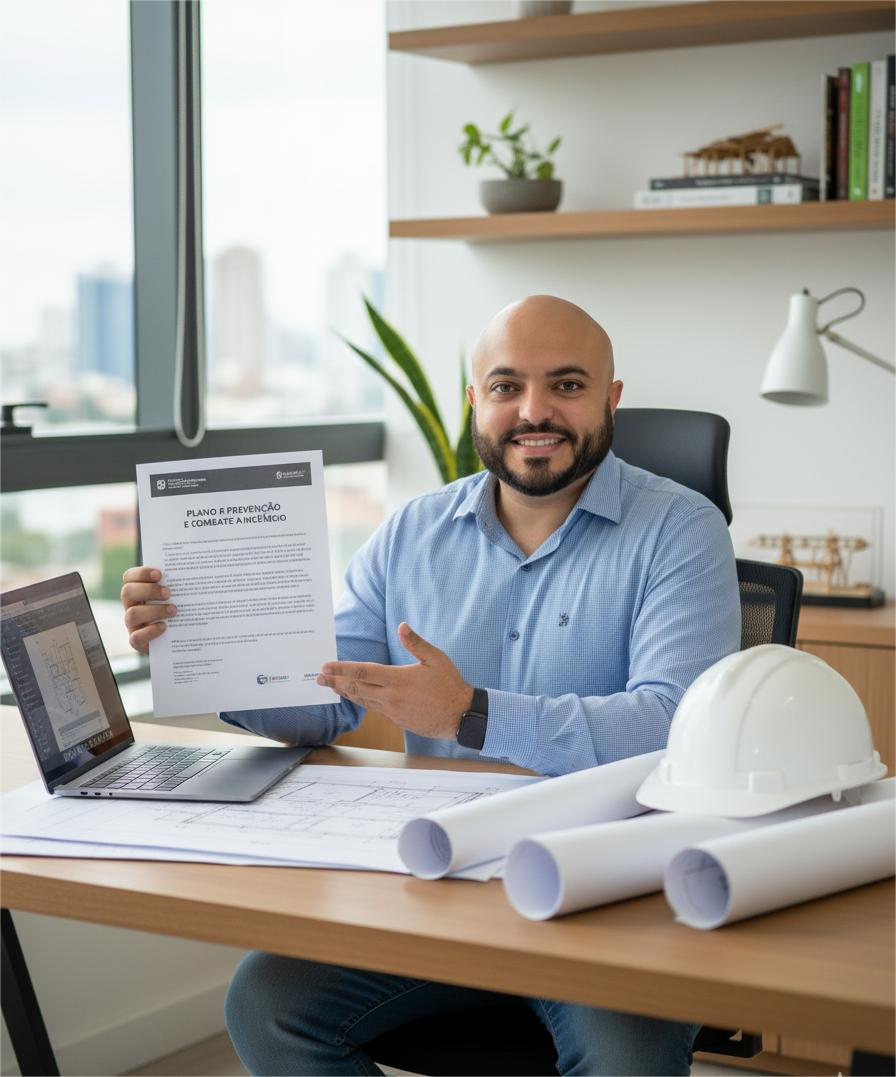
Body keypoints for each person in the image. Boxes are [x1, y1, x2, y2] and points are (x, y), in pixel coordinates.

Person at [122, 295, 740, 1076]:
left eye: (568, 385)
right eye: (507, 385)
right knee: (266, 1003)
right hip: (442, 884)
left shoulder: (682, 530)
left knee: (624, 1061)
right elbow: (330, 698)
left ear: (613, 399)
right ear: (475, 400)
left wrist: (471, 714)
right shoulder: (410, 531)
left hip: (615, 896)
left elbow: (668, 728)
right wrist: (205, 640)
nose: (534, 411)